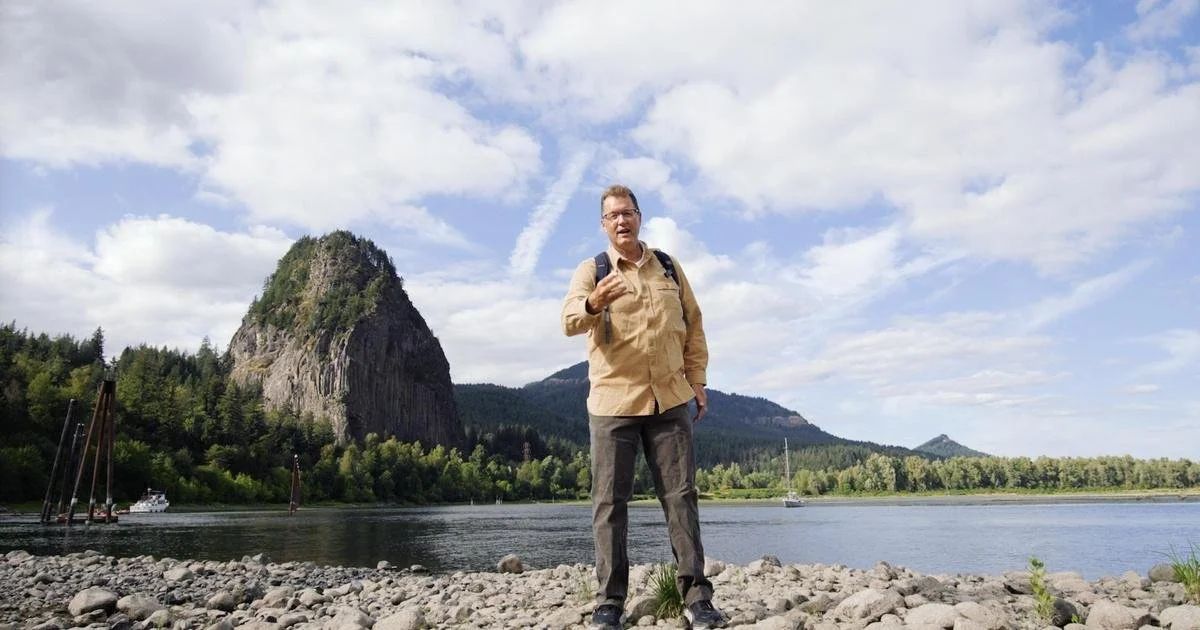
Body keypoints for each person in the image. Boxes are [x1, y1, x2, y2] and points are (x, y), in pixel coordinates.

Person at [561, 184, 726, 629]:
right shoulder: (591, 269)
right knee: (610, 504)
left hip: (670, 399)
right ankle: (609, 603)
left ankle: (696, 597)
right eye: (612, 215)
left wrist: (698, 380)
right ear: (603, 224)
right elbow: (569, 319)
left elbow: (694, 325)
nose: (621, 221)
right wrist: (594, 302)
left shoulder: (668, 267)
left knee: (681, 498)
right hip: (613, 403)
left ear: (639, 217)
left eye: (628, 212)